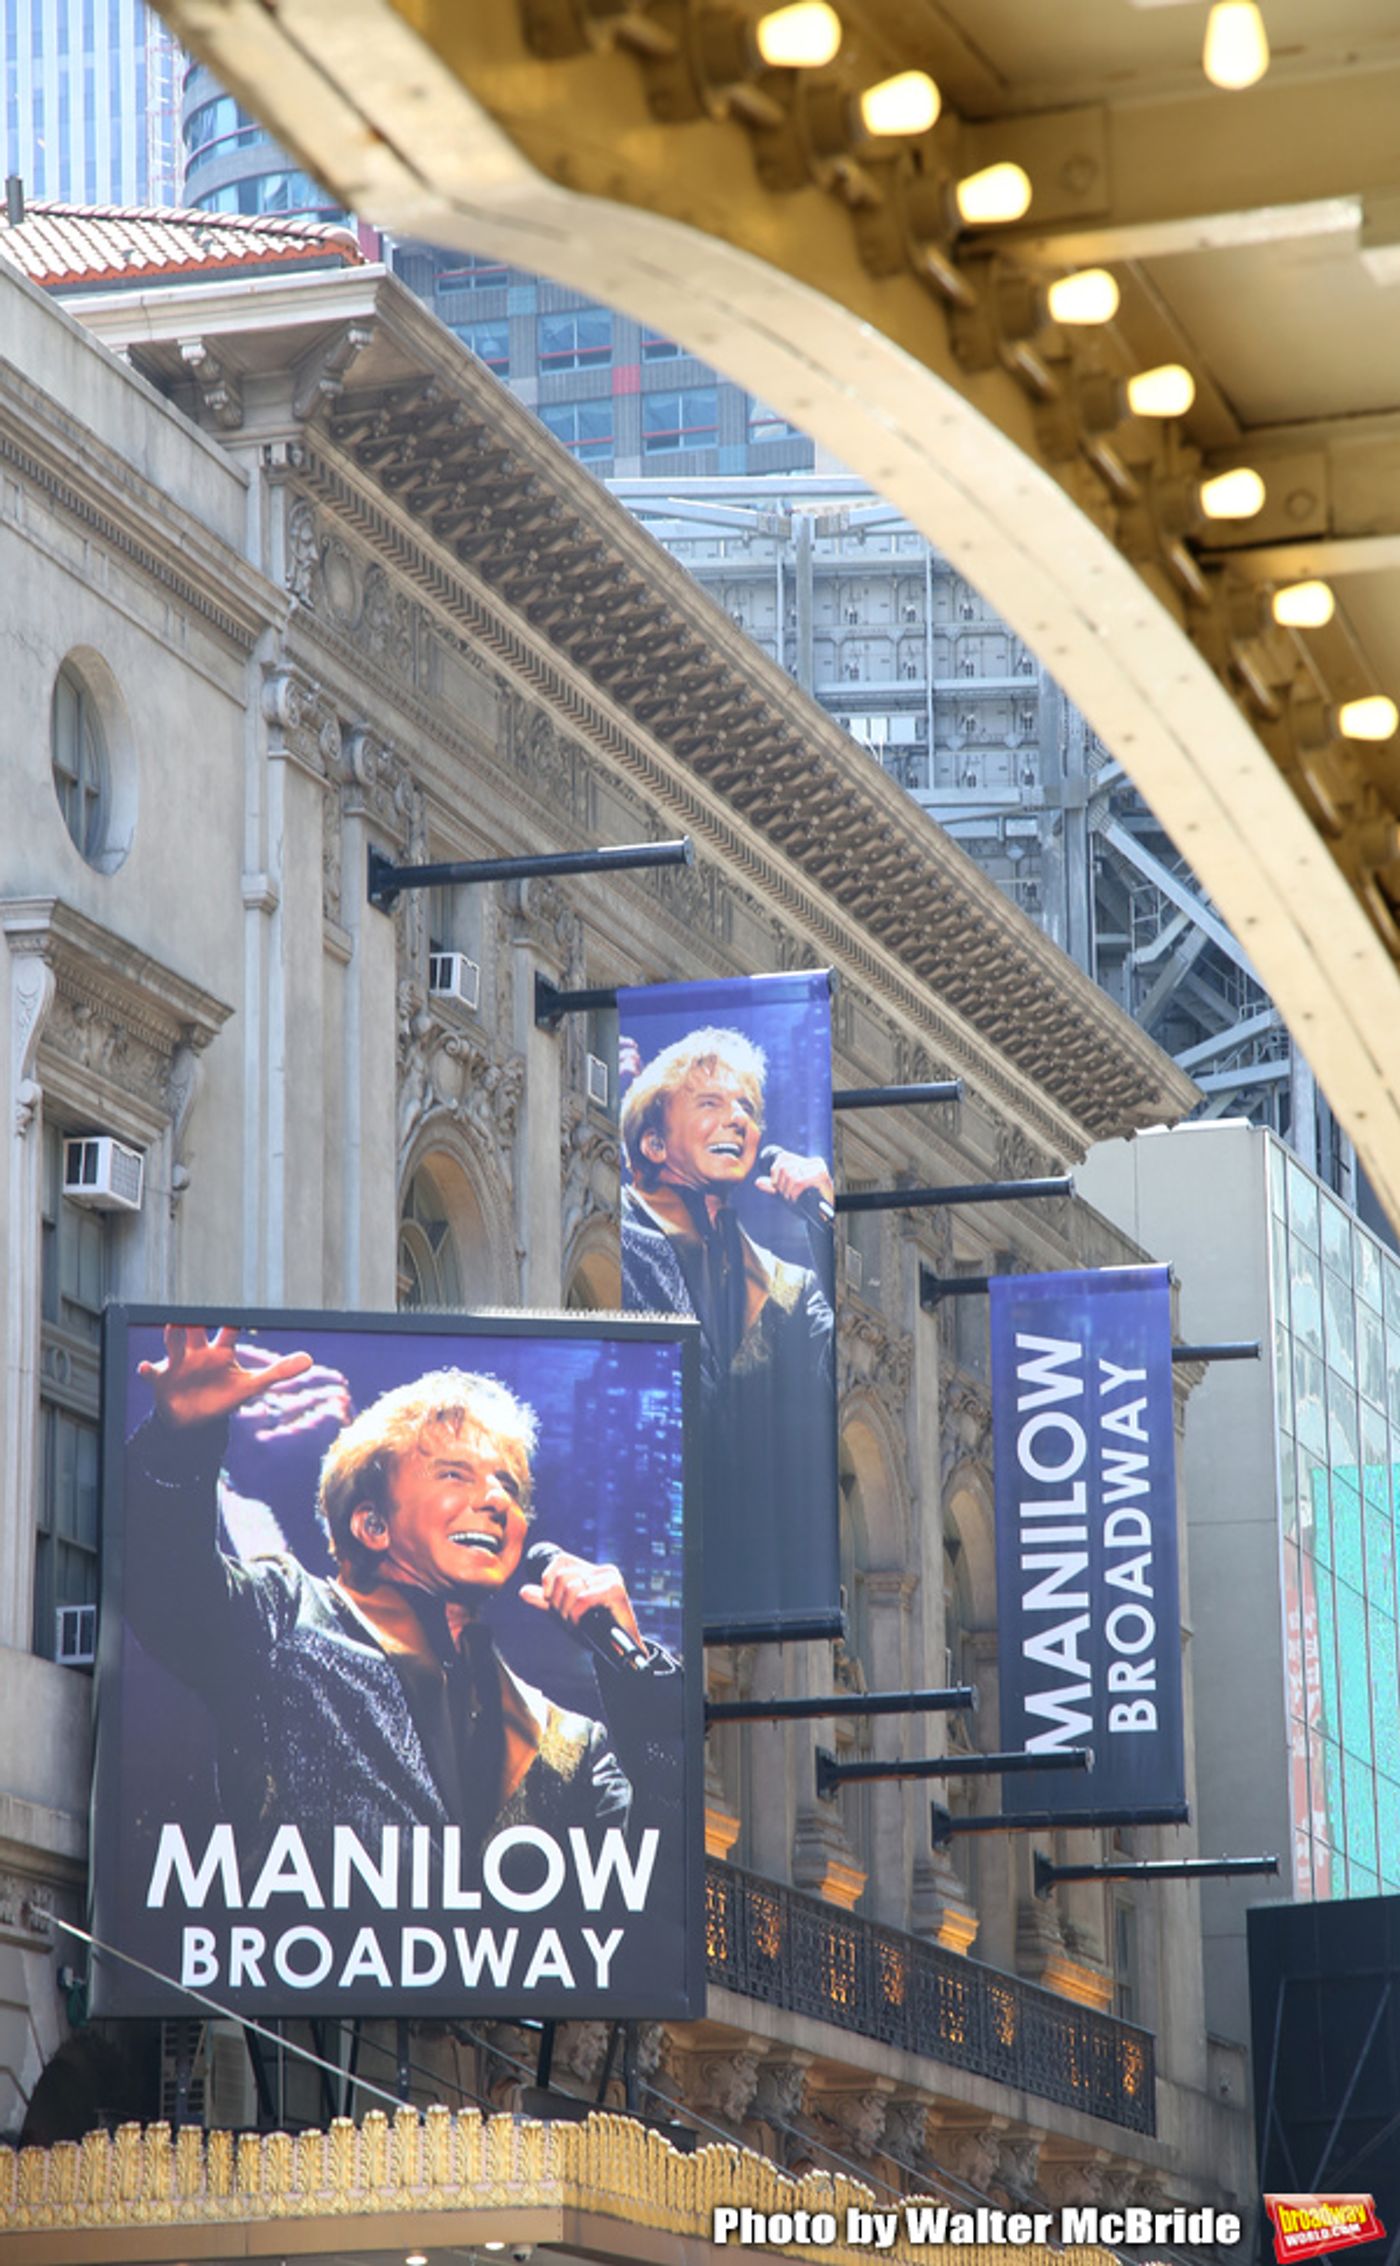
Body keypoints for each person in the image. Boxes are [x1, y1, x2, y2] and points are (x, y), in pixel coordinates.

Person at [124, 1327, 680, 1861]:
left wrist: (639, 1683)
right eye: (455, 1475)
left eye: (508, 1485)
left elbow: (651, 1902)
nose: (494, 1499)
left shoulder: (572, 1745)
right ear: (372, 1524)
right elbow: (172, 1598)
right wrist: (181, 1443)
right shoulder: (287, 1616)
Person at [618, 1028, 835, 1622]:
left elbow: (835, 1400)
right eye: (710, 1103)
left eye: (747, 1109)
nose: (736, 1120)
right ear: (655, 1143)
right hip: (641, 1565)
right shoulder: (615, 1237)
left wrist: (826, 1225)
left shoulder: (788, 1286)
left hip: (743, 1584)